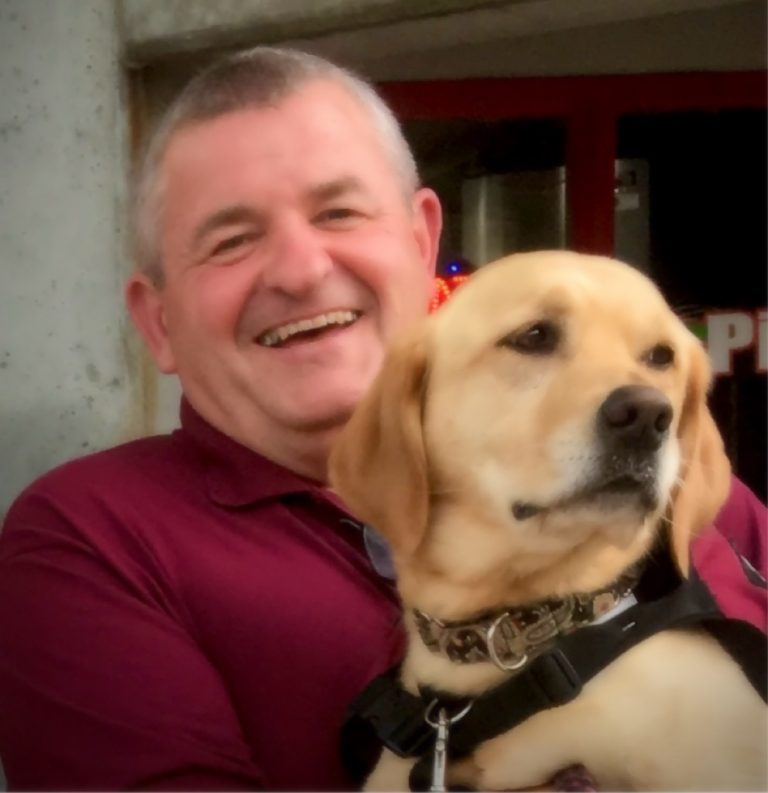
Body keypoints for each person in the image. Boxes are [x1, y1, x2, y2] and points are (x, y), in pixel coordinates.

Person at [0, 47, 764, 791]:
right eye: (231, 241)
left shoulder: (668, 470)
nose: (301, 270)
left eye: (338, 211)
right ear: (158, 319)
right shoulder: (95, 541)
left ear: (421, 238)